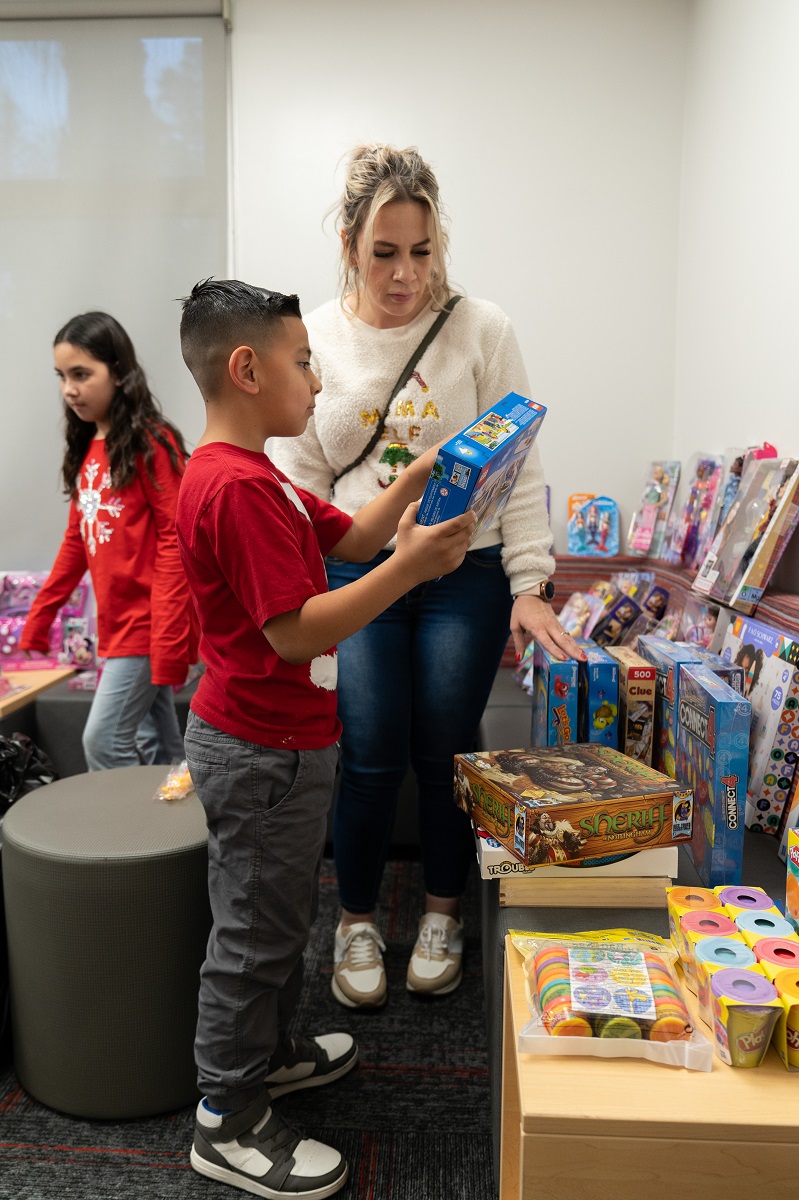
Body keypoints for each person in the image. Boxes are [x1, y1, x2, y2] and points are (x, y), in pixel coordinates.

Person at [176, 278, 475, 1198]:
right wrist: (412, 570)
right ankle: (225, 1115)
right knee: (253, 937)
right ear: (245, 368)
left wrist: (414, 484)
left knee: (278, 919)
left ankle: (266, 1056)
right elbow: (298, 630)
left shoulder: (259, 476)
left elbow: (347, 540)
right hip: (260, 749)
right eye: (302, 362)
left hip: (283, 746)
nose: (315, 379)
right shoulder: (236, 492)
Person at [271, 143, 583, 1010]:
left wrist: (529, 581)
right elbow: (297, 472)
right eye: (384, 253)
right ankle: (357, 920)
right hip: (361, 569)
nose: (405, 274)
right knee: (367, 754)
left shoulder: (481, 329)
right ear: (348, 243)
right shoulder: (316, 336)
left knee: (447, 750)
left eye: (421, 251)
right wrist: (298, 586)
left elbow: (517, 465)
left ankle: (442, 913)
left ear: (438, 242)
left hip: (462, 572)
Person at [20, 311, 195, 771]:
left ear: (118, 372)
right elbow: (77, 543)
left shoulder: (151, 442)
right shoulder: (89, 447)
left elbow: (177, 543)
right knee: (161, 750)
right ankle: (177, 836)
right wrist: (39, 617)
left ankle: (124, 839)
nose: (69, 389)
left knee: (103, 741)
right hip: (116, 630)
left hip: (145, 629)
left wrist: (169, 642)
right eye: (62, 376)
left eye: (81, 374)